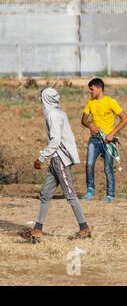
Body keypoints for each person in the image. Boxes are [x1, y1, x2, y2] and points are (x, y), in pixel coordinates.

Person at [19, 87, 91, 242]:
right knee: (45, 194)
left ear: (45, 99)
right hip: (56, 159)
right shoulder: (59, 113)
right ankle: (37, 230)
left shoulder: (53, 115)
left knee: (70, 194)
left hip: (60, 160)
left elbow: (56, 140)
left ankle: (84, 228)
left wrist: (41, 157)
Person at [81, 78, 127, 202]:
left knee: (108, 168)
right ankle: (90, 190)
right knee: (89, 164)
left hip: (109, 141)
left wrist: (112, 133)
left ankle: (110, 195)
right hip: (94, 140)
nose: (90, 92)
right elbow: (84, 120)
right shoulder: (90, 102)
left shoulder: (110, 102)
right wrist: (90, 126)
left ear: (99, 88)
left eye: (91, 89)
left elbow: (125, 119)